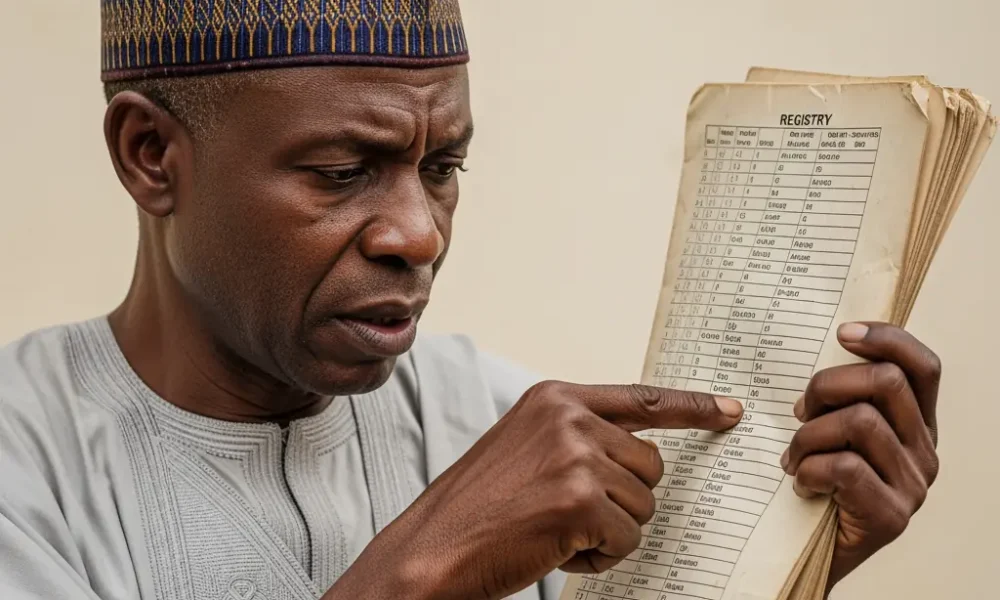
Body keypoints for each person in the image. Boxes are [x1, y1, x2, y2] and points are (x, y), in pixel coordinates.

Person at [0, 2, 942, 599]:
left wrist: (799, 552)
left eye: (443, 167)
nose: (419, 233)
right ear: (149, 155)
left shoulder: (490, 417)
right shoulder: (22, 462)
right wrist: (430, 569)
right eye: (341, 171)